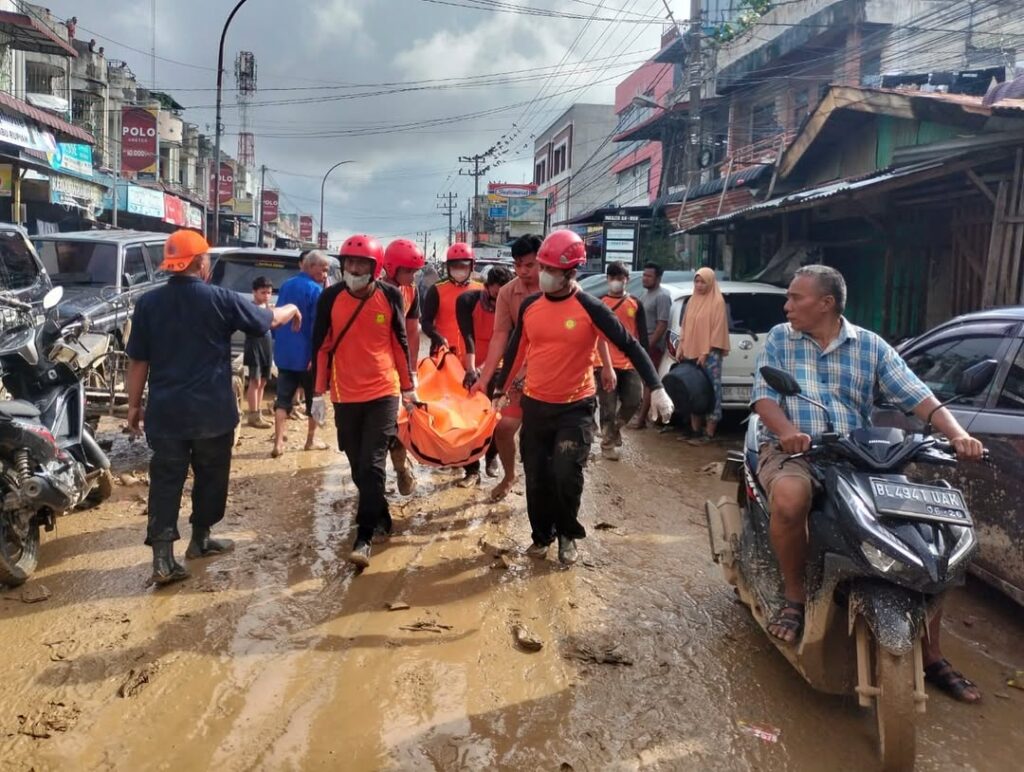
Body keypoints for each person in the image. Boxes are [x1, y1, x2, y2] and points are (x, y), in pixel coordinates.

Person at [751, 264, 984, 703]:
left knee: (925, 525)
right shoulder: (781, 338)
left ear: (827, 303)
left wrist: (959, 436)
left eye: (795, 297)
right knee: (790, 497)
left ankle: (932, 654)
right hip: (794, 450)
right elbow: (764, 398)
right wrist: (785, 432)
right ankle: (796, 596)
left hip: (858, 452)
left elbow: (919, 397)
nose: (787, 306)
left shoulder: (871, 347)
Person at [126, 230, 302, 587]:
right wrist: (292, 307)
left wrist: (133, 405)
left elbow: (138, 361)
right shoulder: (220, 299)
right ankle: (200, 539)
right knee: (211, 475)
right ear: (200, 263)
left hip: (166, 412)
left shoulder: (148, 303)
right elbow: (267, 321)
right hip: (212, 412)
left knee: (165, 481)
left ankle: (163, 558)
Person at [494, 230, 674, 565]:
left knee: (565, 472)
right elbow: (516, 348)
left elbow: (630, 345)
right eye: (542, 266)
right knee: (536, 475)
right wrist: (499, 390)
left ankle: (567, 535)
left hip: (575, 407)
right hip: (536, 404)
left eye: (550, 269)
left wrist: (657, 387)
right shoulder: (532, 306)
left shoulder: (591, 308)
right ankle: (541, 535)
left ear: (571, 272)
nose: (543, 274)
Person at [311, 235, 417, 569]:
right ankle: (381, 513)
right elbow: (322, 347)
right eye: (350, 263)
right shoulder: (329, 297)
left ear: (375, 268)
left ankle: (364, 535)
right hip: (345, 394)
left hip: (383, 391)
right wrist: (317, 393)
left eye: (362, 265)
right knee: (357, 464)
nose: (354, 269)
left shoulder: (389, 296)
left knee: (372, 463)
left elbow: (400, 342)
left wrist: (408, 388)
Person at [470, 234, 542, 501]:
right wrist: (485, 378)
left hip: (552, 371)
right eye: (518, 265)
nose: (523, 271)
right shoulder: (509, 292)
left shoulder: (563, 288)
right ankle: (510, 475)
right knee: (503, 427)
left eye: (530, 265)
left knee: (538, 439)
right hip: (517, 370)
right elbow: (500, 335)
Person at [457, 265, 514, 483]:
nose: (498, 300)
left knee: (495, 415)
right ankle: (471, 470)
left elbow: (509, 341)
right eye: (495, 294)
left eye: (503, 295)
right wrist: (473, 369)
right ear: (487, 286)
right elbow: (467, 336)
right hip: (470, 365)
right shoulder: (467, 301)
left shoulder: (513, 305)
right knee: (469, 419)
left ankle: (492, 456)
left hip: (499, 365)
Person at [272, 250, 331, 458]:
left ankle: (279, 443)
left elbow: (276, 318)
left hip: (285, 354)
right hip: (308, 357)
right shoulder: (316, 291)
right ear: (311, 266)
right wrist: (318, 356)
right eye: (323, 270)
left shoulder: (287, 285)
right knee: (316, 399)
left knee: (282, 399)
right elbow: (319, 328)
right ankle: (311, 440)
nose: (325, 274)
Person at [382, 238, 426, 496]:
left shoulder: (411, 291)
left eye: (414, 271)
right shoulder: (374, 290)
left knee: (398, 421)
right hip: (377, 367)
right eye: (408, 271)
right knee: (382, 425)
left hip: (399, 369)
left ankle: (400, 466)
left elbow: (413, 330)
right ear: (391, 267)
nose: (412, 276)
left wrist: (411, 371)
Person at [597, 261, 648, 461]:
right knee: (607, 406)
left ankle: (613, 431)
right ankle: (607, 444)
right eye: (612, 278)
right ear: (607, 279)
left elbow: (642, 337)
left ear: (627, 280)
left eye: (620, 278)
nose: (616, 282)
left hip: (629, 362)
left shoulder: (636, 303)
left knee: (634, 400)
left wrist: (644, 363)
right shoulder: (600, 304)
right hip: (604, 361)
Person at [677, 267, 730, 443]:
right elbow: (686, 325)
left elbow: (717, 329)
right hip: (691, 352)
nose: (699, 285)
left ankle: (709, 432)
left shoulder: (717, 302)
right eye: (697, 281)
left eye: (703, 282)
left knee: (712, 391)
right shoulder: (692, 300)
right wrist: (681, 346)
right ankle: (695, 430)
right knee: (694, 390)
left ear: (710, 283)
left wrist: (705, 352)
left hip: (710, 355)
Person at [421, 243, 482, 357]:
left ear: (472, 266)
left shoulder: (481, 290)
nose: (459, 270)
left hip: (474, 354)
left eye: (463, 266)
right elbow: (425, 322)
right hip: (444, 353)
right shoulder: (437, 289)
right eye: (455, 266)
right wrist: (438, 338)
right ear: (448, 267)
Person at [635, 262, 672, 429]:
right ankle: (643, 415)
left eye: (649, 276)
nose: (645, 278)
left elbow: (662, 324)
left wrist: (649, 345)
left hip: (652, 346)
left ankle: (641, 419)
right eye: (644, 275)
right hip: (642, 343)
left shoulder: (662, 296)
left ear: (658, 278)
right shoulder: (645, 294)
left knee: (650, 382)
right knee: (642, 382)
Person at [243, 276, 274, 429]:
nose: (266, 296)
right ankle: (253, 414)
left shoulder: (267, 308)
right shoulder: (250, 308)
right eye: (263, 292)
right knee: (255, 381)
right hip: (254, 344)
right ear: (254, 292)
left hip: (266, 344)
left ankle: (258, 413)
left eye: (269, 293)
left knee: (263, 381)